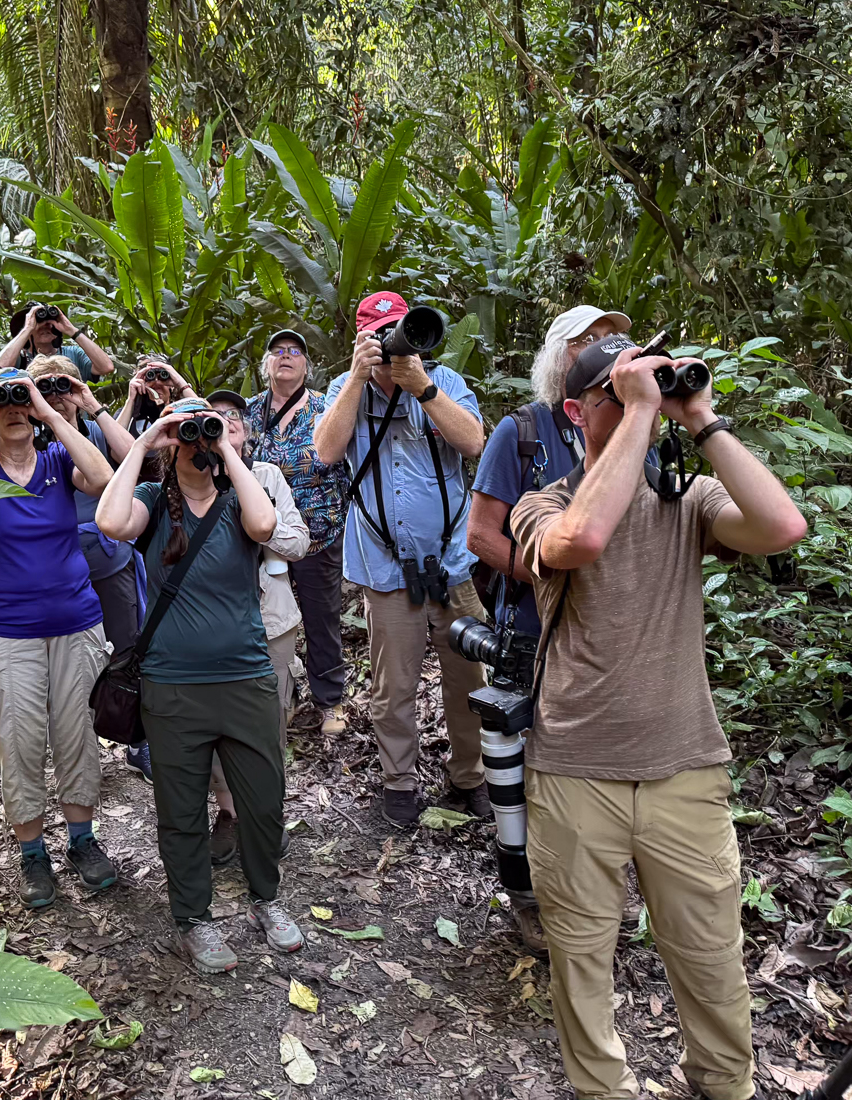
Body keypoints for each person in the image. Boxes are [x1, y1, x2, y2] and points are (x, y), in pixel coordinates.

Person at [509, 333, 806, 1100]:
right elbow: (583, 539)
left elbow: (782, 528)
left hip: (685, 769)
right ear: (577, 413)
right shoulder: (542, 505)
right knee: (582, 961)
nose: (640, 396)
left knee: (711, 957)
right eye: (616, 390)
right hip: (576, 772)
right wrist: (642, 410)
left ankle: (724, 1085)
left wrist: (700, 418)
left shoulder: (688, 502)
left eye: (649, 382)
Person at [96, 397, 303, 974]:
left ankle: (266, 898)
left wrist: (226, 449)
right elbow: (110, 523)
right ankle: (194, 918)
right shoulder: (150, 499)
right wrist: (146, 441)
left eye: (205, 430)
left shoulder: (240, 499)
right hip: (173, 686)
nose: (197, 442)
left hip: (246, 678)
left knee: (263, 802)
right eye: (186, 433)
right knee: (181, 809)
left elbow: (266, 527)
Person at [0, 367, 119, 908]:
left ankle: (81, 840)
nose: (14, 408)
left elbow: (104, 479)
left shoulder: (58, 458)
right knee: (18, 738)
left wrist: (49, 411)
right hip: (8, 629)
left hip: (76, 621)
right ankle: (33, 851)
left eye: (22, 400)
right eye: (3, 400)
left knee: (76, 731)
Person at [312, 291, 490, 829]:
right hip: (385, 568)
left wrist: (424, 388)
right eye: (382, 336)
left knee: (469, 680)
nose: (394, 349)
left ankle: (470, 777)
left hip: (451, 563)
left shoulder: (444, 381)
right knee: (394, 686)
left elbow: (474, 443)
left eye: (399, 335)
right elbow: (326, 451)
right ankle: (399, 782)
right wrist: (355, 379)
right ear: (362, 340)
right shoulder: (345, 389)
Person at [24, 353, 155, 782]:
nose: (55, 396)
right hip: (52, 568)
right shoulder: (23, 436)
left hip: (106, 558)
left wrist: (90, 405)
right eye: (44, 388)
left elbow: (134, 456)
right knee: (57, 657)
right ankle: (68, 744)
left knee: (128, 647)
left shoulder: (94, 429)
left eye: (62, 385)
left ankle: (136, 737)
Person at [467, 305, 629, 640]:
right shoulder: (521, 430)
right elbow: (480, 535)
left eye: (612, 338)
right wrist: (559, 583)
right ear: (557, 358)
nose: (604, 347)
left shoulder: (635, 427)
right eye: (588, 339)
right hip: (537, 628)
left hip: (618, 627)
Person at [203, 387, 309, 867]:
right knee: (217, 723)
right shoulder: (191, 477)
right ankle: (229, 813)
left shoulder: (267, 476)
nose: (227, 421)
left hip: (271, 622)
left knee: (268, 725)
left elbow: (299, 542)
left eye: (235, 415)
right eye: (215, 415)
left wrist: (262, 524)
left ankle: (264, 813)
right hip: (212, 626)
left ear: (246, 430)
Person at [245, 329, 351, 736]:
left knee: (321, 618)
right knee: (269, 621)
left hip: (317, 534)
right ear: (266, 365)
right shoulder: (249, 412)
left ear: (307, 365)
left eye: (294, 351)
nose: (285, 356)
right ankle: (280, 696)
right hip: (261, 539)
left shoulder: (326, 408)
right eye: (277, 351)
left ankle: (329, 699)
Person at [0, 302, 115, 377]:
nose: (44, 326)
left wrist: (71, 330)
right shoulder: (18, 359)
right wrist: (27, 328)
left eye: (50, 322)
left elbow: (107, 367)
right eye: (39, 322)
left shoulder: (74, 353)